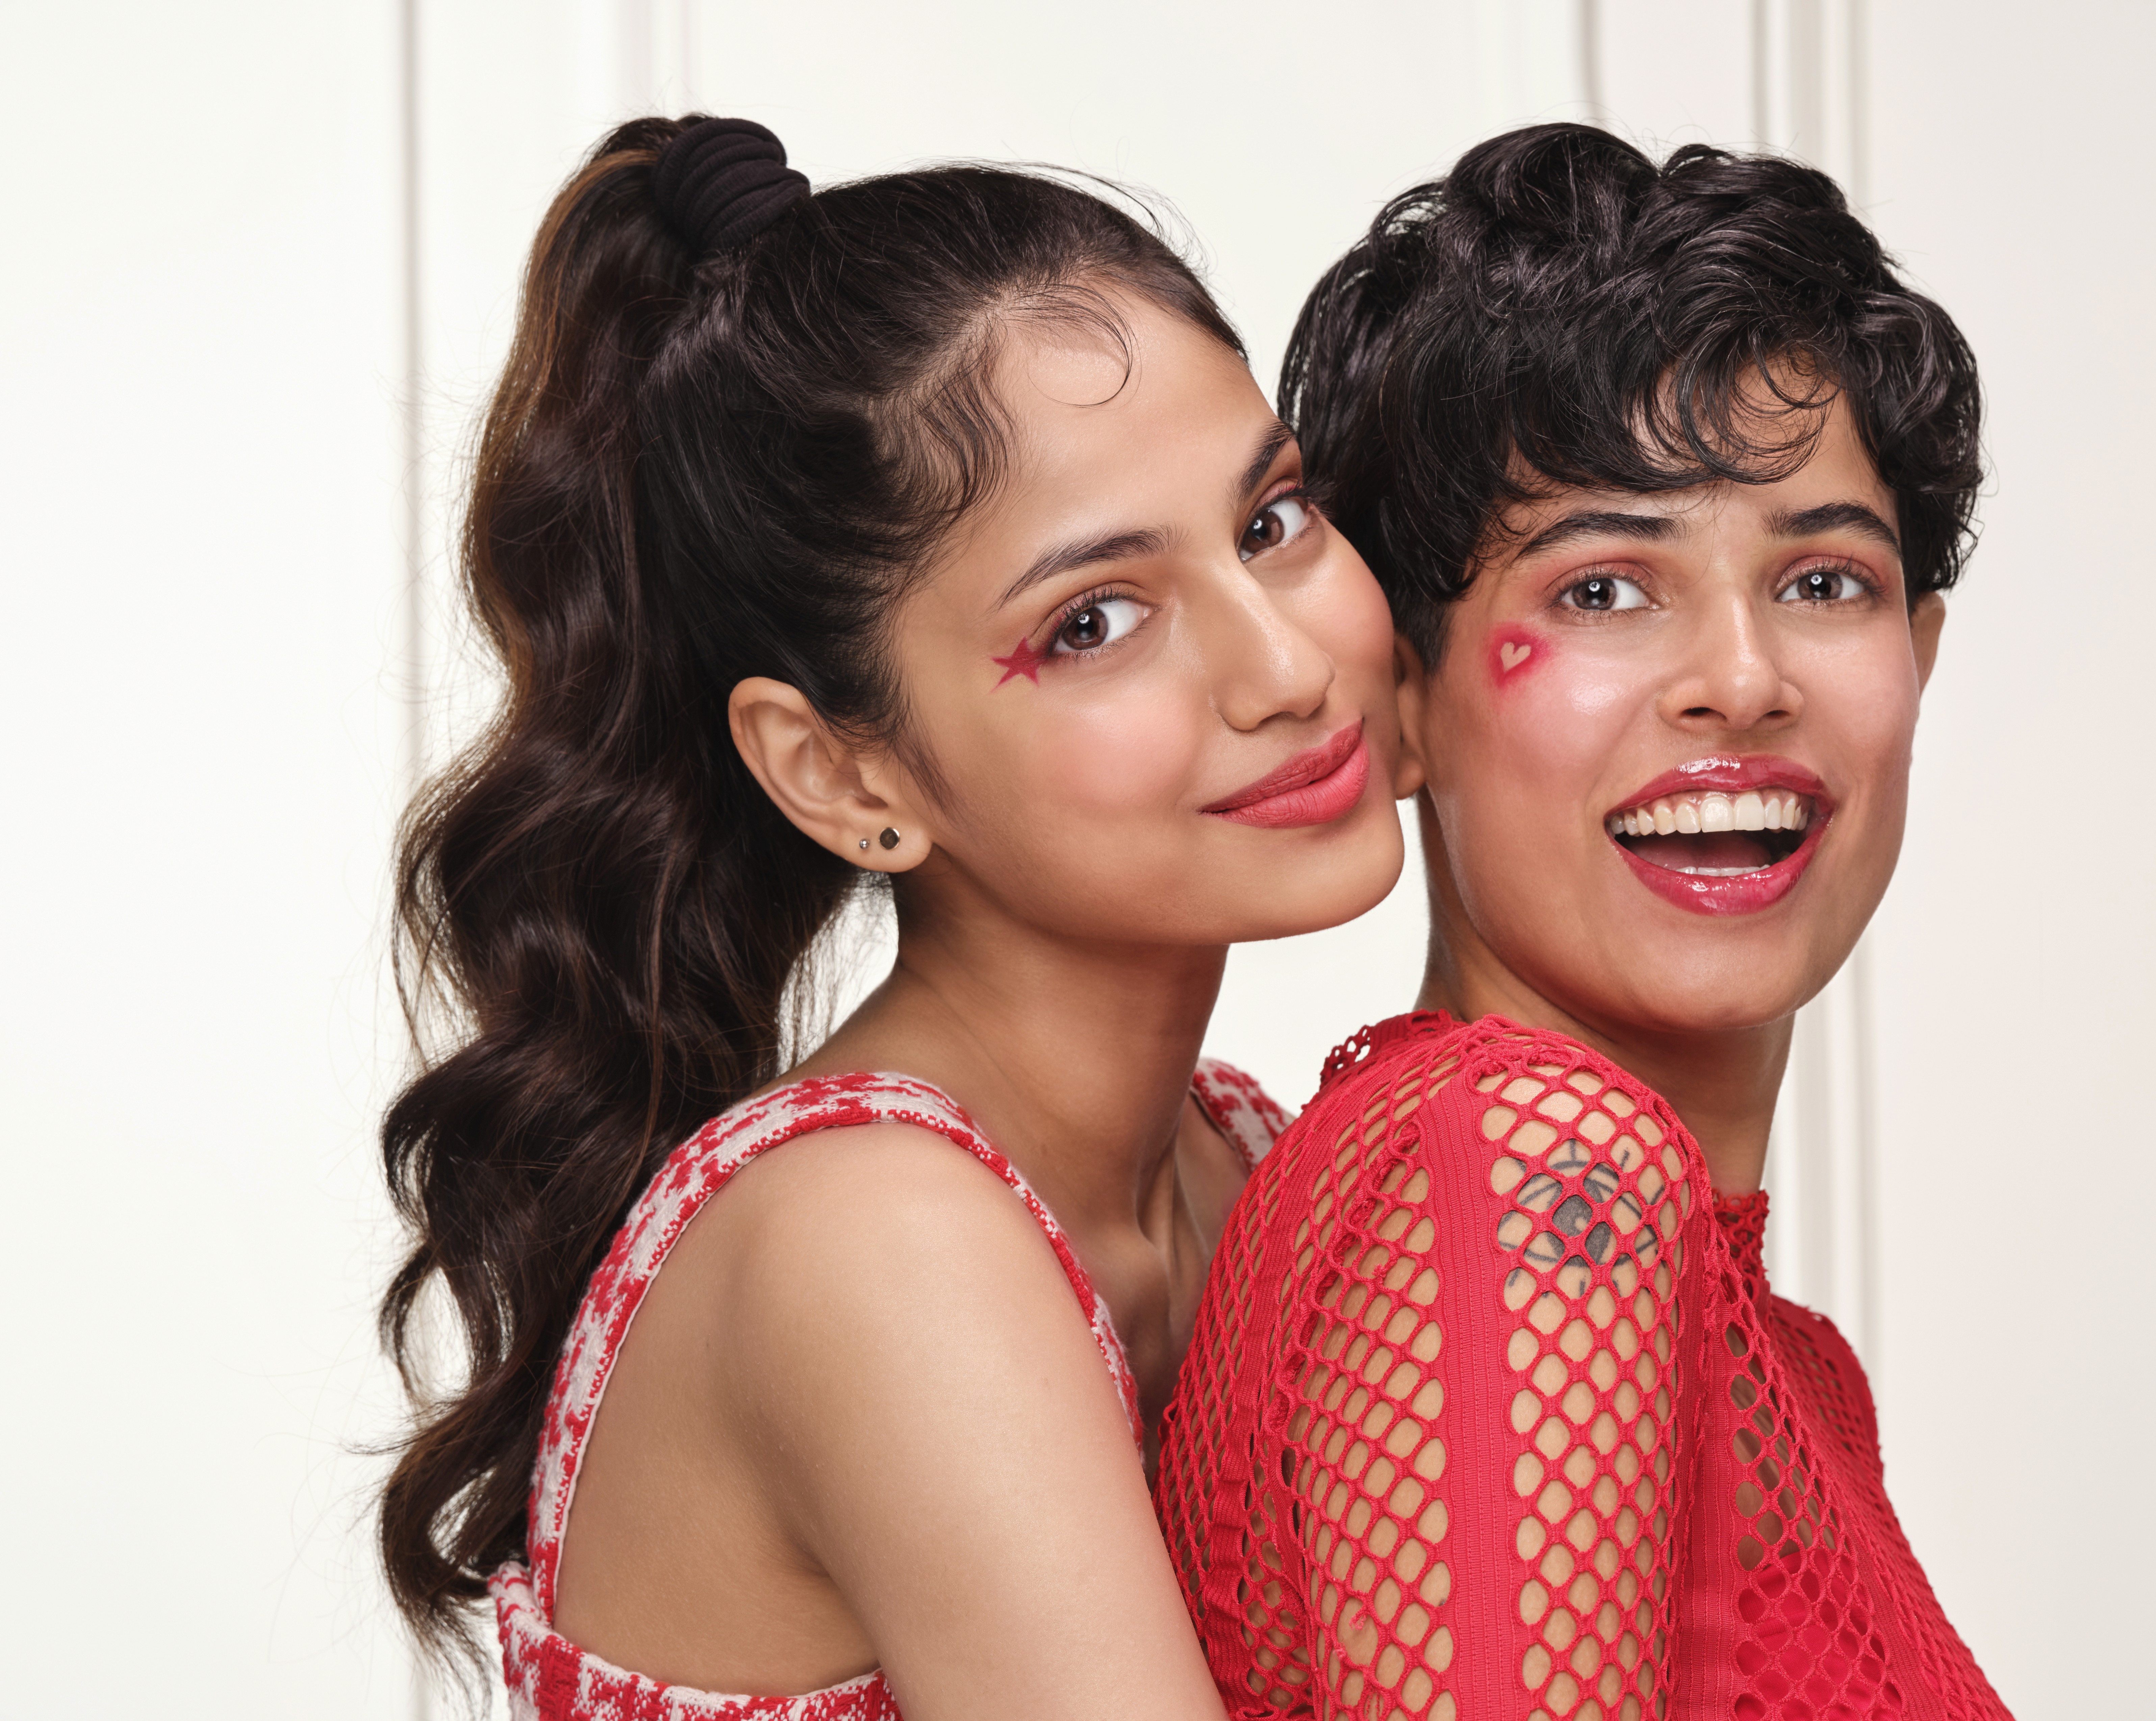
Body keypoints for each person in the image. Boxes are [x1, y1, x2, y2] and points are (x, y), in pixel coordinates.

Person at [376, 116, 1415, 1721]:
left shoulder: (1243, 1164)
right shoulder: (874, 1236)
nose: (1289, 666)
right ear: (842, 768)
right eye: (1094, 621)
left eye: (1271, 519)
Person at [1155, 125, 2009, 1719]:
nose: (1743, 677)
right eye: (1603, 587)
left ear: (1921, 658)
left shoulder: (1760, 1343)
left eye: (1827, 582)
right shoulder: (1526, 1177)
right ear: (1396, 706)